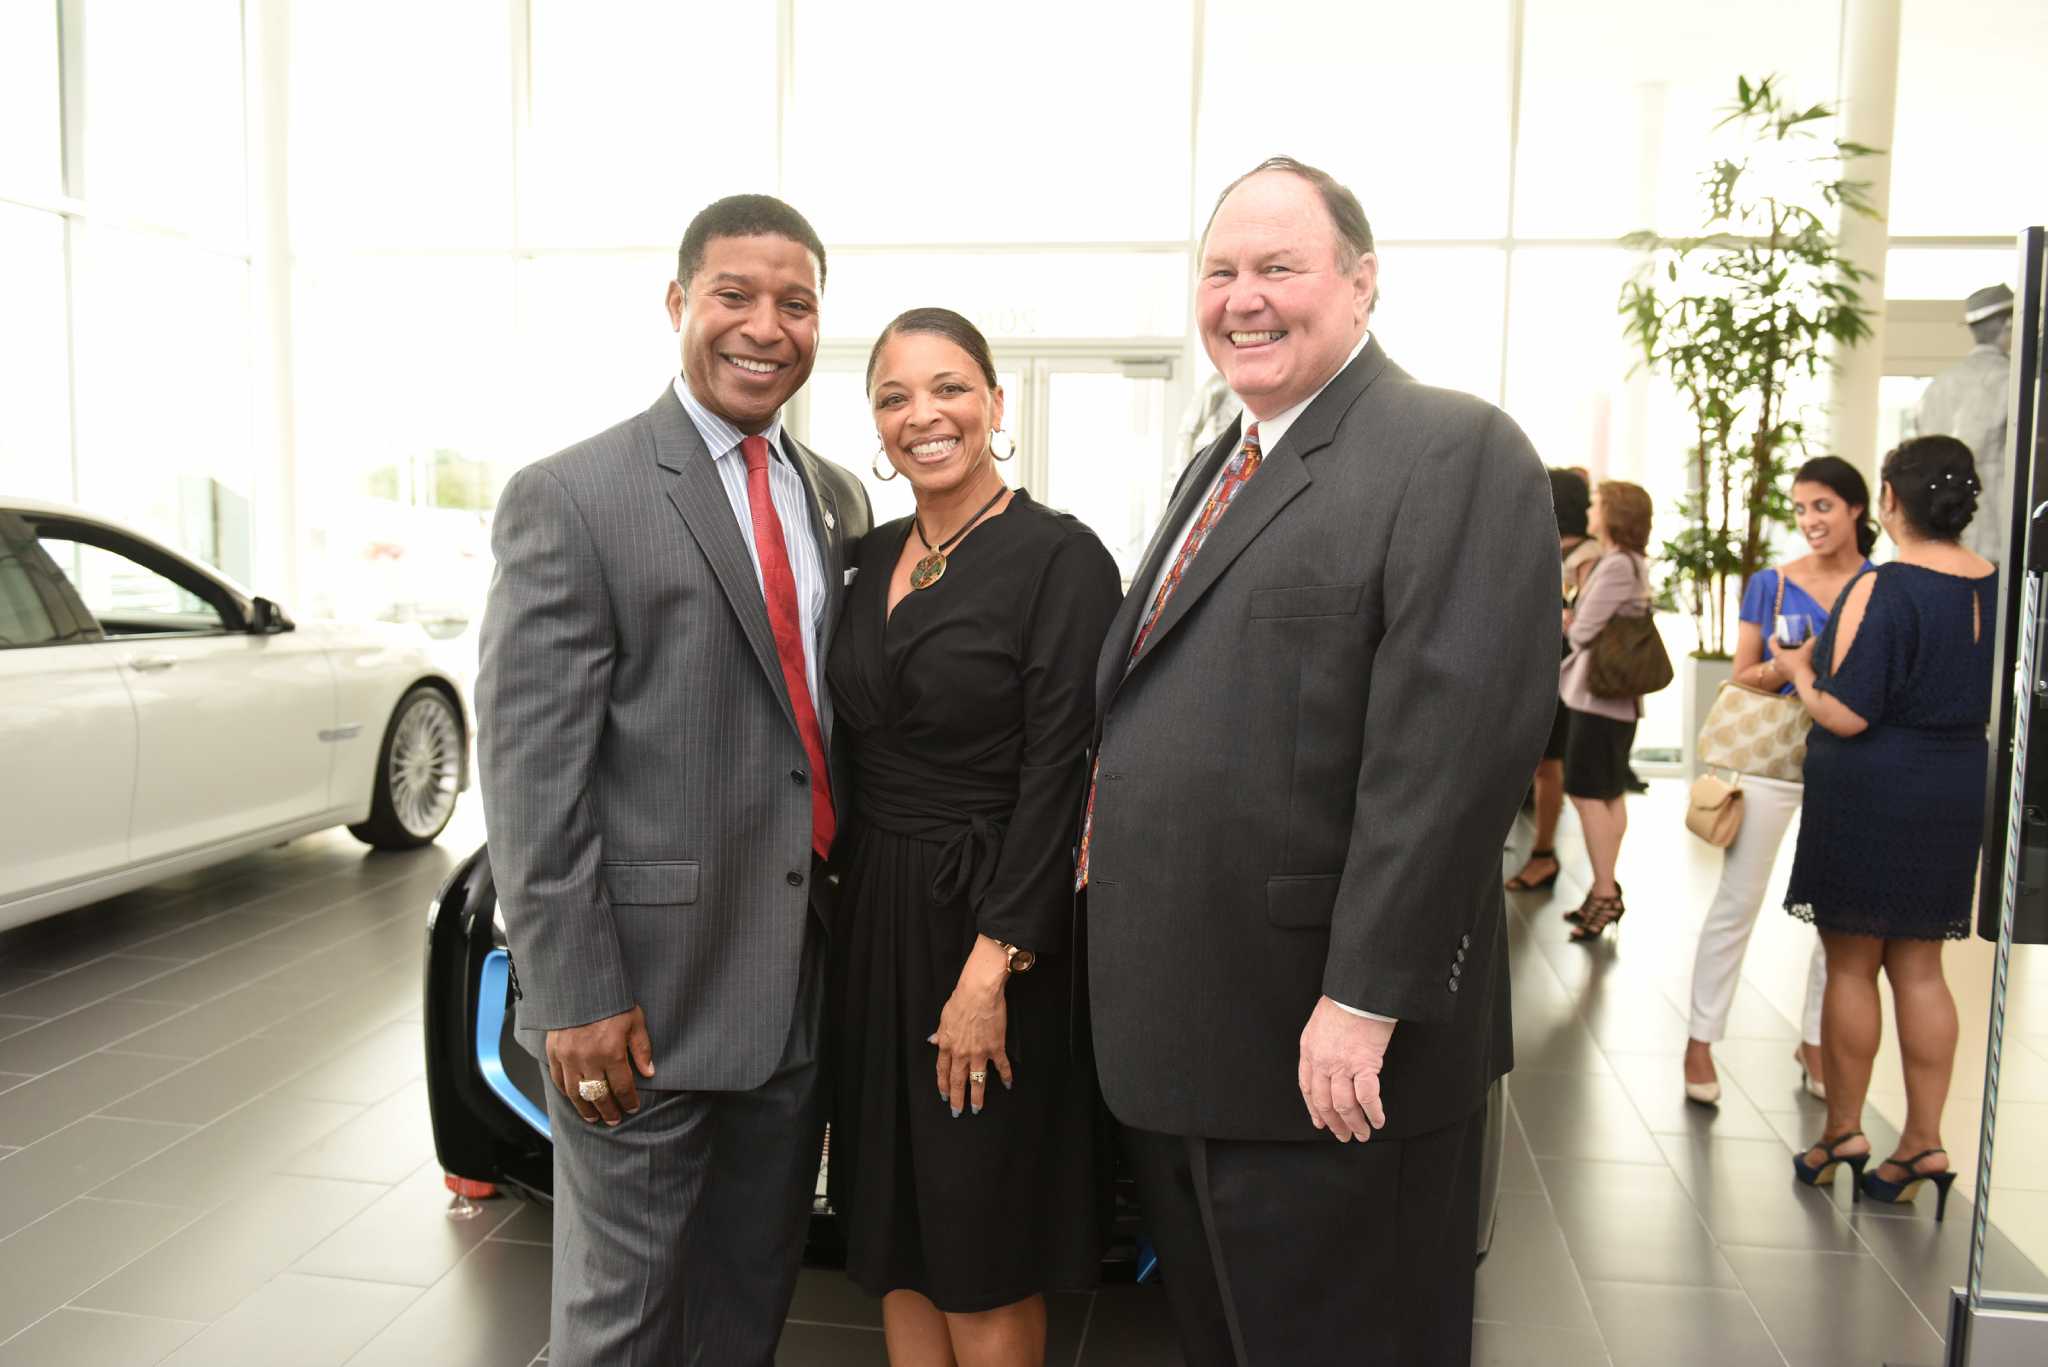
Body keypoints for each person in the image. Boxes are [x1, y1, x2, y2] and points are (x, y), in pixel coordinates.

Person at [1080, 157, 1557, 1367]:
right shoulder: (1225, 457)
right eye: (1220, 270)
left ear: (1361, 283)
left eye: (1278, 268)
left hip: (1328, 1054)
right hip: (1195, 1043)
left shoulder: (1449, 448)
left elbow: (1448, 757)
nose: (1243, 297)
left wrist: (1362, 997)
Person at [476, 194, 871, 1365]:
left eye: (793, 303)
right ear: (678, 305)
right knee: (623, 1318)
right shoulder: (573, 494)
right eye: (733, 296)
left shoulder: (832, 494)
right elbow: (529, 766)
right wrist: (577, 990)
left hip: (792, 991)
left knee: (746, 1299)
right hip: (637, 1005)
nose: (764, 325)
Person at [825, 308, 1120, 1365]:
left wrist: (991, 963)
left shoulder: (1061, 560)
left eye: (948, 387)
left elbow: (1062, 772)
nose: (923, 414)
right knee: (897, 1224)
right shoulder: (860, 557)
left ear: (994, 403)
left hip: (991, 922)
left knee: (980, 1230)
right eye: (895, 396)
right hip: (874, 921)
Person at [1779, 435, 1994, 1220]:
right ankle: (1925, 1142)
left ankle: (1843, 1133)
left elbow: (1847, 709)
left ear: (1891, 502)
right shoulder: (1994, 585)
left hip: (1872, 787)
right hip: (1954, 784)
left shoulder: (1887, 585)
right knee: (1922, 968)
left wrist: (1801, 669)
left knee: (1850, 965)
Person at [1681, 457, 1873, 1106]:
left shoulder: (1880, 585)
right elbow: (1741, 674)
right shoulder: (1773, 583)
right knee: (1738, 898)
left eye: (1822, 505)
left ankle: (1816, 1039)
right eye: (1800, 508)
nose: (1809, 520)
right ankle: (1701, 1039)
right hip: (1773, 757)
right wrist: (1795, 665)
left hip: (1851, 759)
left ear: (1856, 508)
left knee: (1838, 913)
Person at [1557, 480, 1655, 942]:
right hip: (1616, 703)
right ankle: (1605, 886)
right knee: (1609, 793)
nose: (1591, 510)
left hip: (1596, 699)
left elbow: (1582, 633)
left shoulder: (1616, 565)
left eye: (1598, 504)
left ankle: (1603, 891)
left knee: (1587, 793)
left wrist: (1565, 617)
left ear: (1614, 513)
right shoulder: (1632, 562)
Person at [1506, 467, 1601, 894]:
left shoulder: (1586, 558)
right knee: (1539, 764)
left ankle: (1543, 854)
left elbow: (1585, 621)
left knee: (1547, 765)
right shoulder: (1551, 547)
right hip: (1535, 663)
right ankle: (1537, 851)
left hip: (1559, 668)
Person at [1916, 282, 2013, 562]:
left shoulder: (1938, 384)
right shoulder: (2011, 382)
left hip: (1940, 532)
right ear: (2008, 323)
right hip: (1994, 533)